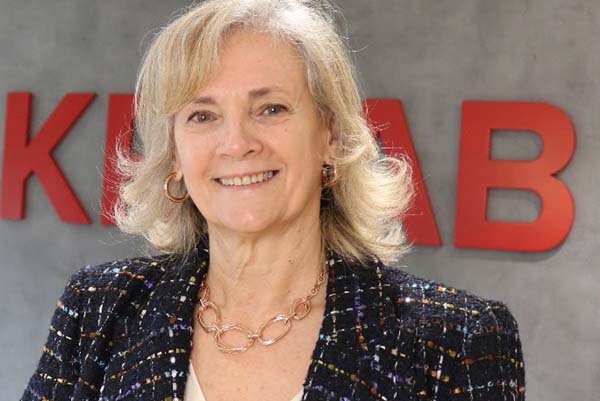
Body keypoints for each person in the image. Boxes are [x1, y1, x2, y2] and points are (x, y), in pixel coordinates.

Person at [20, 0, 525, 400]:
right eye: (202, 115)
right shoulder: (98, 310)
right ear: (173, 154)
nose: (237, 143)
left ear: (330, 135)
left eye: (271, 108)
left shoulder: (455, 339)